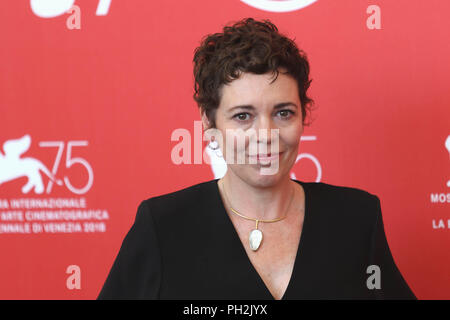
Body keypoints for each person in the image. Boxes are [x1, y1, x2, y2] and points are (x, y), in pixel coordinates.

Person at [97, 17, 416, 300]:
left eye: (283, 113)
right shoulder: (163, 226)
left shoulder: (356, 219)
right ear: (209, 124)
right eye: (242, 116)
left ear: (303, 116)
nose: (266, 133)